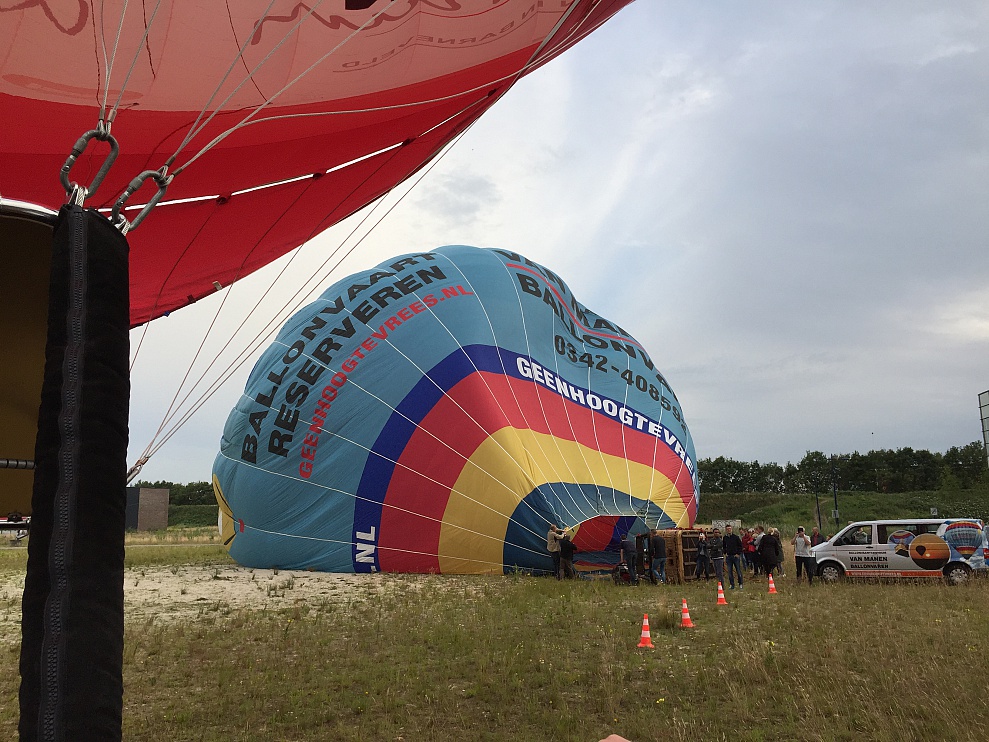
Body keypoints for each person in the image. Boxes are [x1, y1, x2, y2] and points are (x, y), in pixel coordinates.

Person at [723, 524, 744, 590]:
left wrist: (738, 553)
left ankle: (740, 583)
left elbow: (740, 546)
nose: (729, 530)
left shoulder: (736, 537)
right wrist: (725, 552)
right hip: (729, 556)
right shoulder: (725, 538)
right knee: (729, 571)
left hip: (735, 556)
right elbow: (724, 546)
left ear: (731, 529)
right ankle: (732, 585)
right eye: (727, 529)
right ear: (726, 530)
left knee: (738, 570)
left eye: (730, 529)